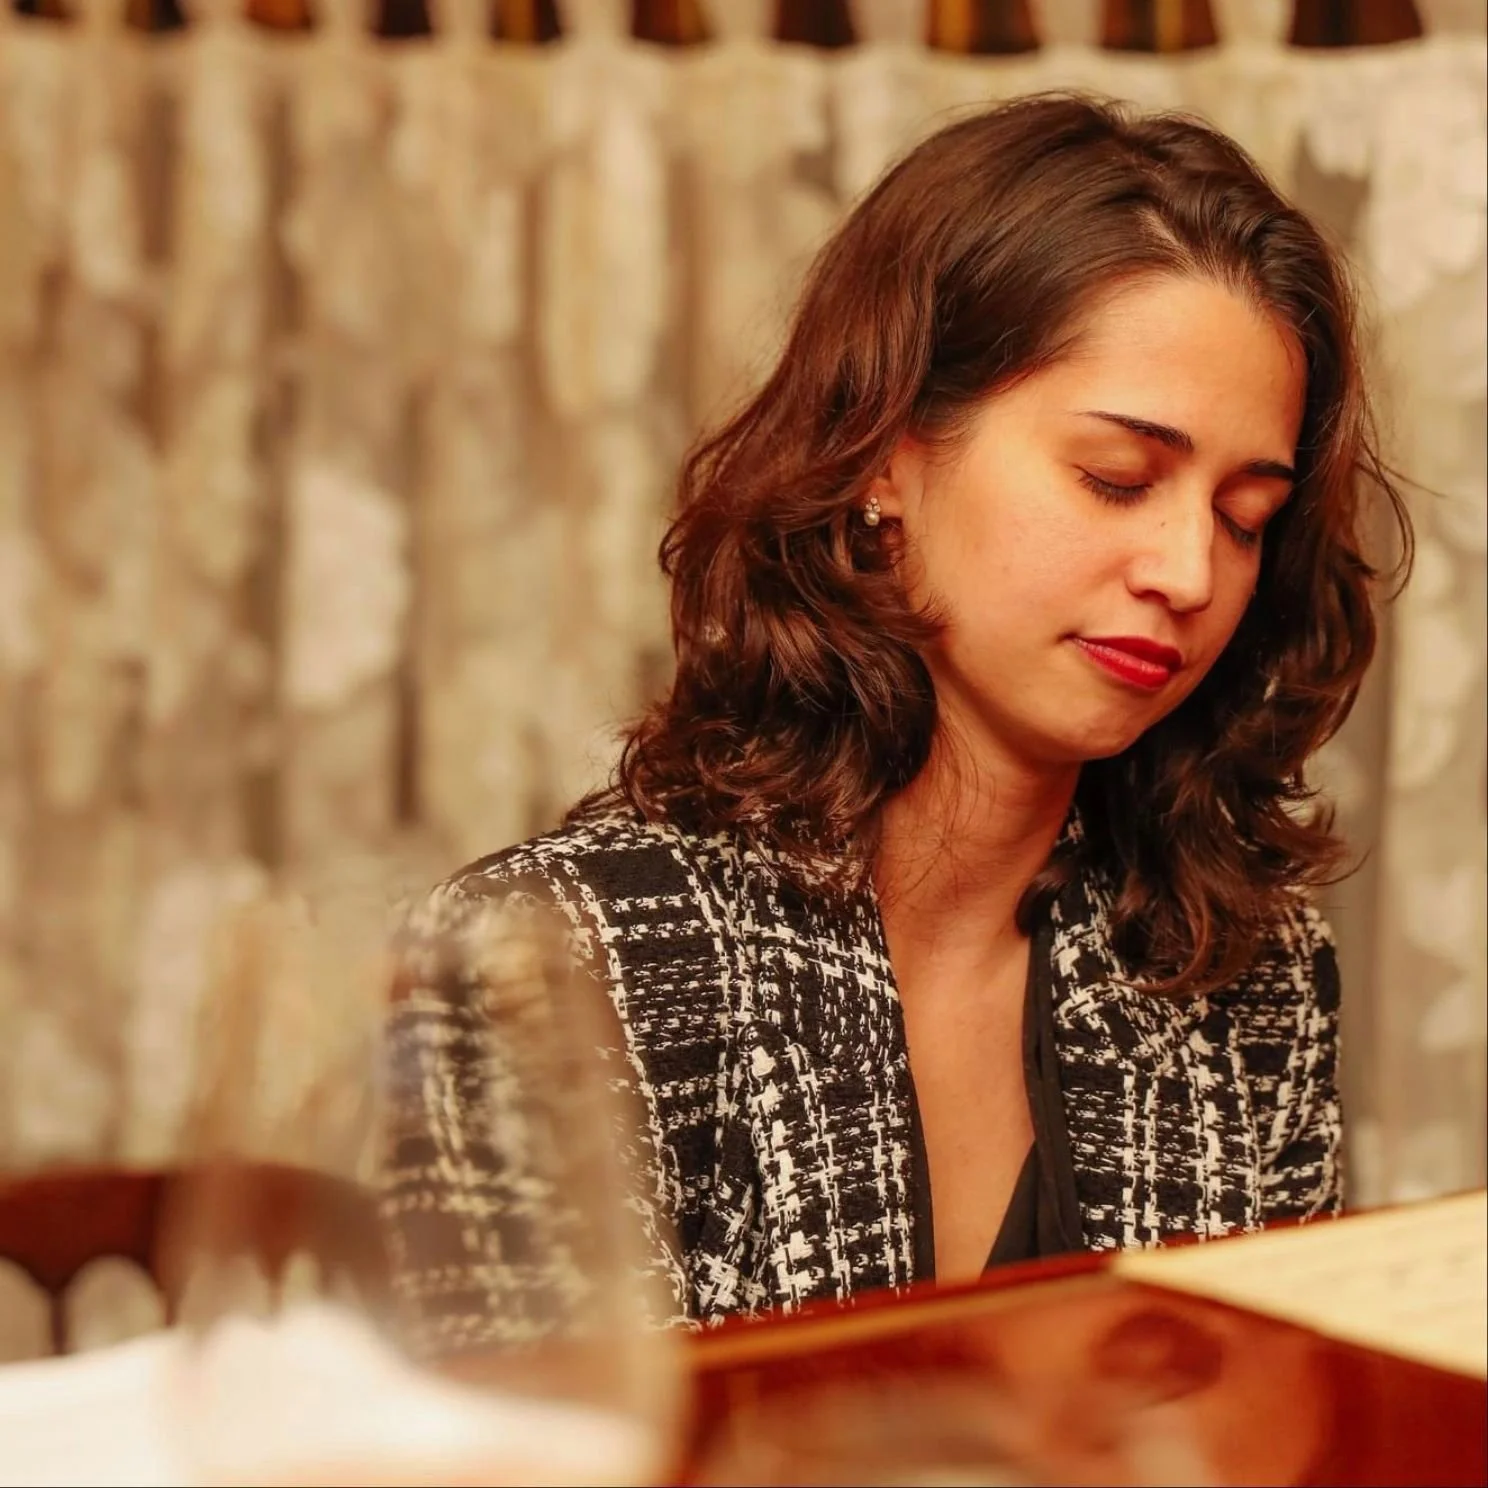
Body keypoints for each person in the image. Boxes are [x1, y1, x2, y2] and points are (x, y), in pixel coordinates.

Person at [378, 93, 1411, 1341]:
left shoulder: (1249, 972)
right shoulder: (539, 968)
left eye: (1244, 517)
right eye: (1116, 480)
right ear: (886, 456)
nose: (1190, 574)